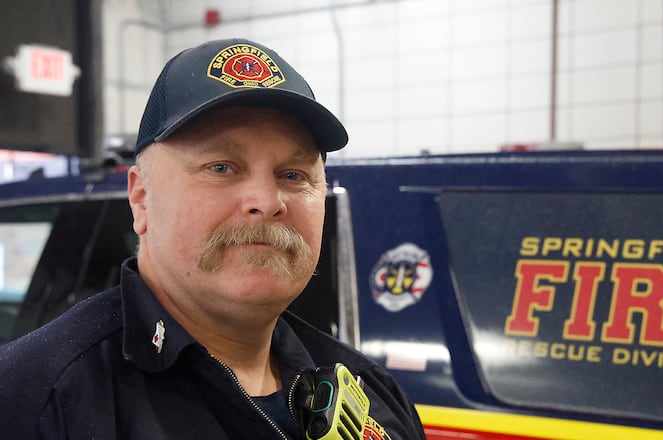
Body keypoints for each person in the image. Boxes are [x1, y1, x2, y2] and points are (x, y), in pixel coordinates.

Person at [0, 38, 425, 439]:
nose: (267, 200)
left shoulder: (376, 400)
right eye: (222, 167)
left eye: (293, 175)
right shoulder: (34, 402)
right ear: (142, 198)